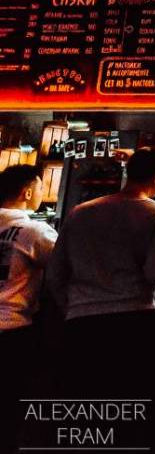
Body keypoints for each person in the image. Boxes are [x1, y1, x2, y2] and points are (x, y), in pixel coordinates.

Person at [48, 147, 155, 395]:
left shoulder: (80, 212)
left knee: (82, 398)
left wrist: (72, 306)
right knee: (127, 398)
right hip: (133, 320)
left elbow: (55, 273)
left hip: (80, 320)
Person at [0, 165, 57, 453]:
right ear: (27, 192)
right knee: (9, 409)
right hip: (13, 328)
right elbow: (66, 265)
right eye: (40, 187)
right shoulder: (34, 231)